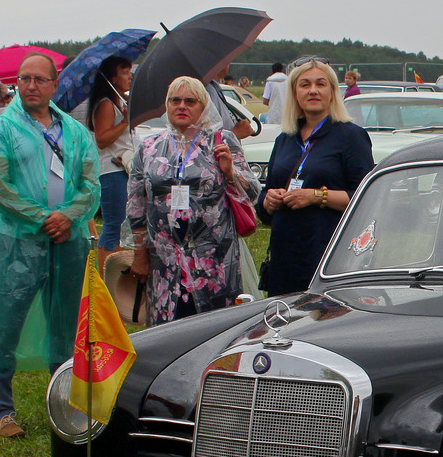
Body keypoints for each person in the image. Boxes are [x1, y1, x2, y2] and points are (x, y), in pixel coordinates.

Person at [0, 53, 100, 439]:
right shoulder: (1, 130)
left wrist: (69, 217)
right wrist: (43, 218)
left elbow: (90, 185)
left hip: (68, 241)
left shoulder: (74, 132)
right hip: (18, 242)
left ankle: (68, 402)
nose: (31, 86)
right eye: (24, 79)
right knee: (4, 323)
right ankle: (2, 412)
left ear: (54, 85)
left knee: (67, 326)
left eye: (39, 79)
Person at [126, 76, 261, 324]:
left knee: (213, 329)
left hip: (213, 258)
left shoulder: (221, 141)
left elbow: (252, 192)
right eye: (175, 100)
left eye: (190, 101)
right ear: (166, 105)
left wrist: (231, 172)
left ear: (204, 107)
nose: (182, 106)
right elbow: (136, 204)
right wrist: (139, 254)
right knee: (168, 332)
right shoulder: (149, 147)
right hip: (164, 260)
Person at [258, 59, 374, 295]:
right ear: (294, 93)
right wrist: (268, 201)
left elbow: (367, 199)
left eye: (320, 84)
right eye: (304, 84)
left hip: (328, 256)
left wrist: (316, 196)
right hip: (285, 257)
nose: (313, 90)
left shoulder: (351, 136)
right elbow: (265, 195)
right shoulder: (285, 139)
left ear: (332, 92)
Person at [87, 55, 133, 269]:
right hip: (111, 172)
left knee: (122, 225)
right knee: (114, 226)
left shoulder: (119, 101)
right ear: (112, 78)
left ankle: (115, 275)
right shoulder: (106, 104)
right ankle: (106, 279)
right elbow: (102, 139)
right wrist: (125, 121)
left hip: (121, 170)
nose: (130, 76)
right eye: (125, 71)